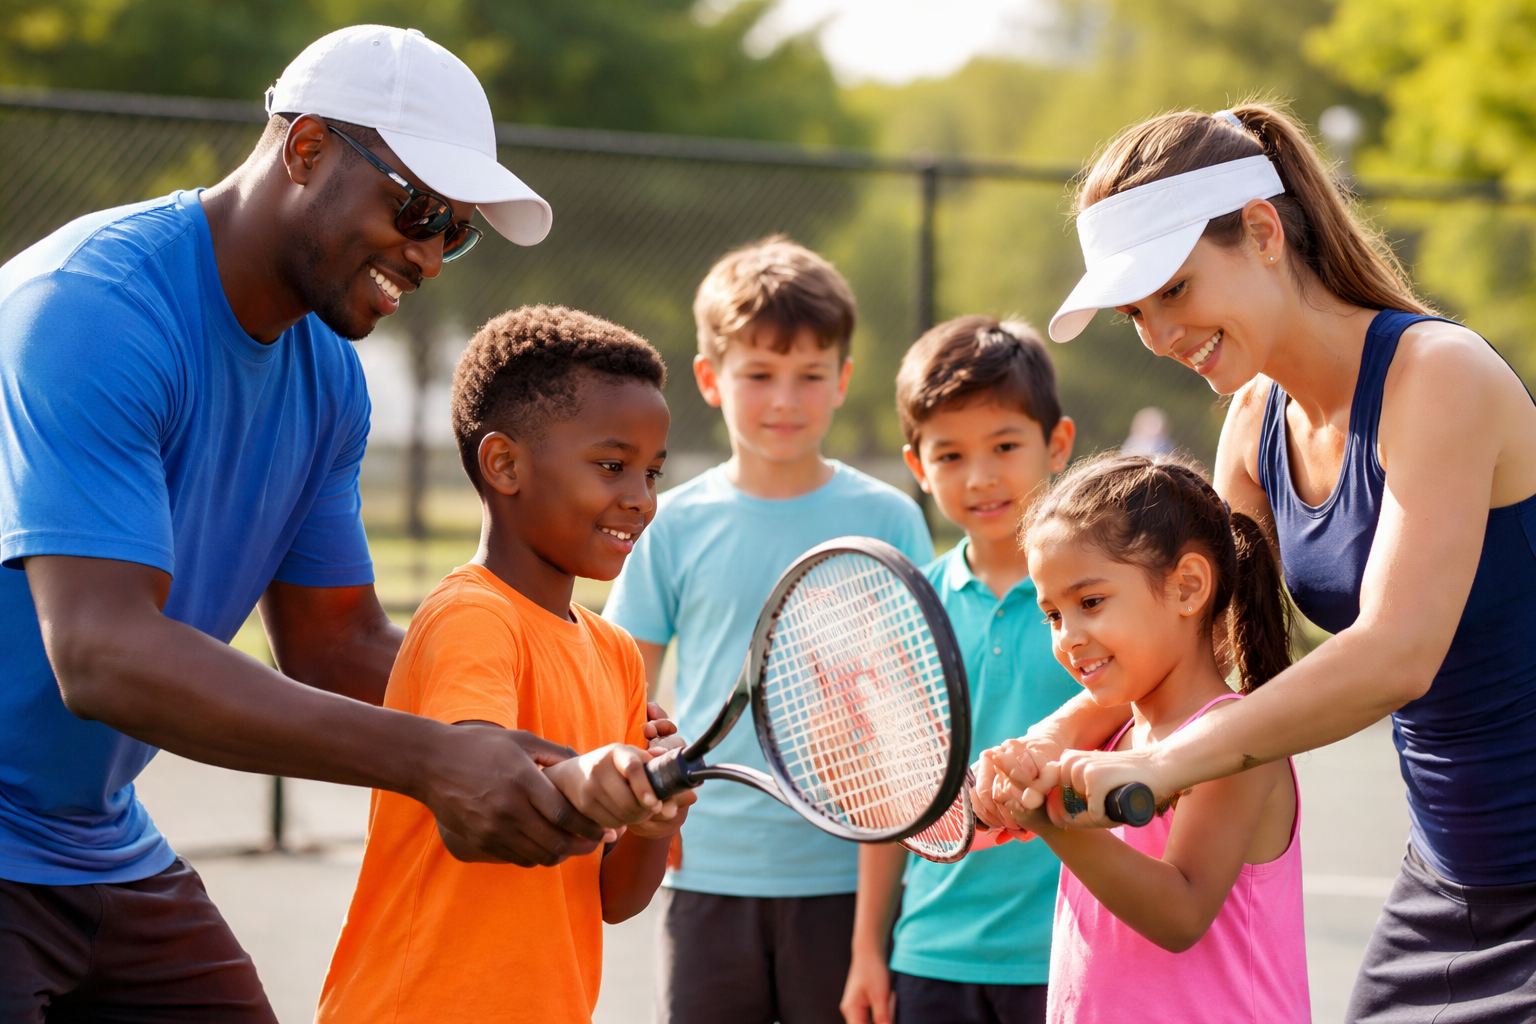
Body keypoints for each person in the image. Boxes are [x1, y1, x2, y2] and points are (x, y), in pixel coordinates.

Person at [0, 26, 613, 1022]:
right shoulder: (90, 308)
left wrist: (567, 743)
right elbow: (102, 653)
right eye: (418, 209)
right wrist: (433, 761)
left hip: (89, 840)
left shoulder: (328, 380)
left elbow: (337, 644)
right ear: (308, 148)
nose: (430, 255)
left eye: (455, 232)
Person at [990, 102, 1536, 1021]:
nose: (1161, 335)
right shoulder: (1252, 423)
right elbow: (1202, 643)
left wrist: (1165, 767)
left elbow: (1397, 653)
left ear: (1262, 231)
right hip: (1452, 875)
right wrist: (1052, 742)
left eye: (1175, 289)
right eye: (1136, 312)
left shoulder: (1440, 376)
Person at [316, 306, 693, 1023]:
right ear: (505, 464)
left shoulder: (615, 652)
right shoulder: (471, 616)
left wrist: (654, 818)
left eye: (652, 472)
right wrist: (592, 778)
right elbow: (485, 797)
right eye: (612, 466)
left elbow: (613, 899)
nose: (641, 499)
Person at [603, 236, 934, 1024]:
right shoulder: (669, 523)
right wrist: (638, 808)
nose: (785, 399)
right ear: (710, 379)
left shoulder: (889, 518)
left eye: (810, 375)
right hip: (704, 872)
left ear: (842, 381)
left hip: (845, 878)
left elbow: (914, 715)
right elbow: (619, 684)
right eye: (758, 374)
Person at [978, 453, 1308, 1024]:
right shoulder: (1115, 736)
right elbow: (982, 829)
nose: (1068, 637)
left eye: (1090, 602)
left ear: (1187, 587)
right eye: (1053, 615)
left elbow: (1181, 913)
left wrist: (1051, 825)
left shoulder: (1233, 747)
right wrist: (996, 797)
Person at [839, 316, 1078, 1024]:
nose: (980, 477)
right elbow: (894, 803)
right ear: (917, 467)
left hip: (1071, 952)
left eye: (1004, 445)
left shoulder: (1098, 604)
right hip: (930, 957)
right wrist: (868, 950)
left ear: (1057, 443)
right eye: (949, 455)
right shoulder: (906, 612)